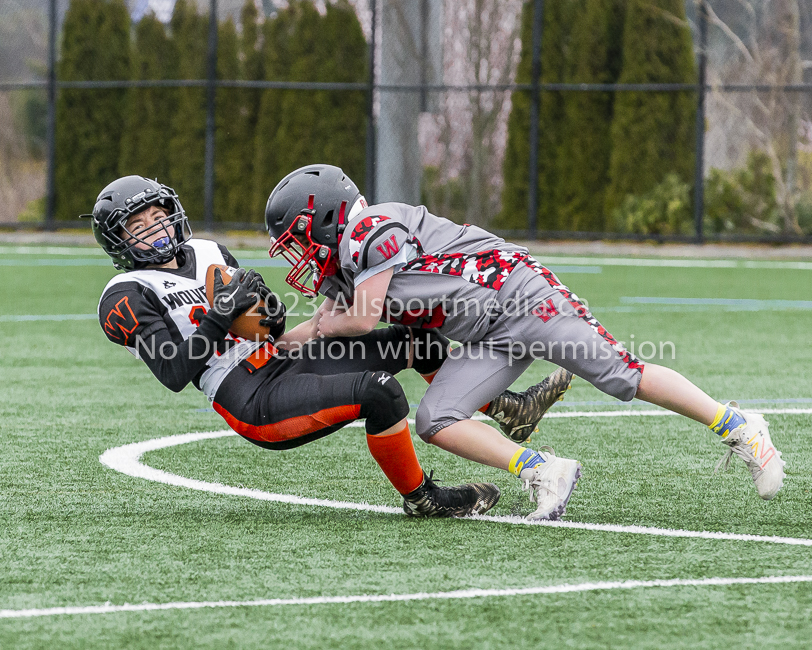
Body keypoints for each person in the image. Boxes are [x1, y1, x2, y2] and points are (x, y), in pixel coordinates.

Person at [264, 164, 786, 516]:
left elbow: (356, 320)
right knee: (435, 419)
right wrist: (275, 342)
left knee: (621, 376)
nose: (299, 254)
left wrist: (319, 327)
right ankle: (544, 471)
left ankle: (739, 427)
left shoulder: (370, 229)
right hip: (486, 332)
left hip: (521, 297)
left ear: (326, 217)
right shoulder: (346, 259)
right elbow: (326, 322)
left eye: (299, 237)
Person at [82, 175, 562, 519]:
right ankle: (423, 497)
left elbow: (266, 324)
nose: (155, 228)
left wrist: (266, 309)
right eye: (137, 226)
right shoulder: (124, 294)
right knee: (380, 392)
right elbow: (172, 373)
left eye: (157, 216)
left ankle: (507, 408)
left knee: (415, 341)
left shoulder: (208, 251)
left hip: (280, 359)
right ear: (118, 241)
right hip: (248, 396)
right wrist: (218, 314)